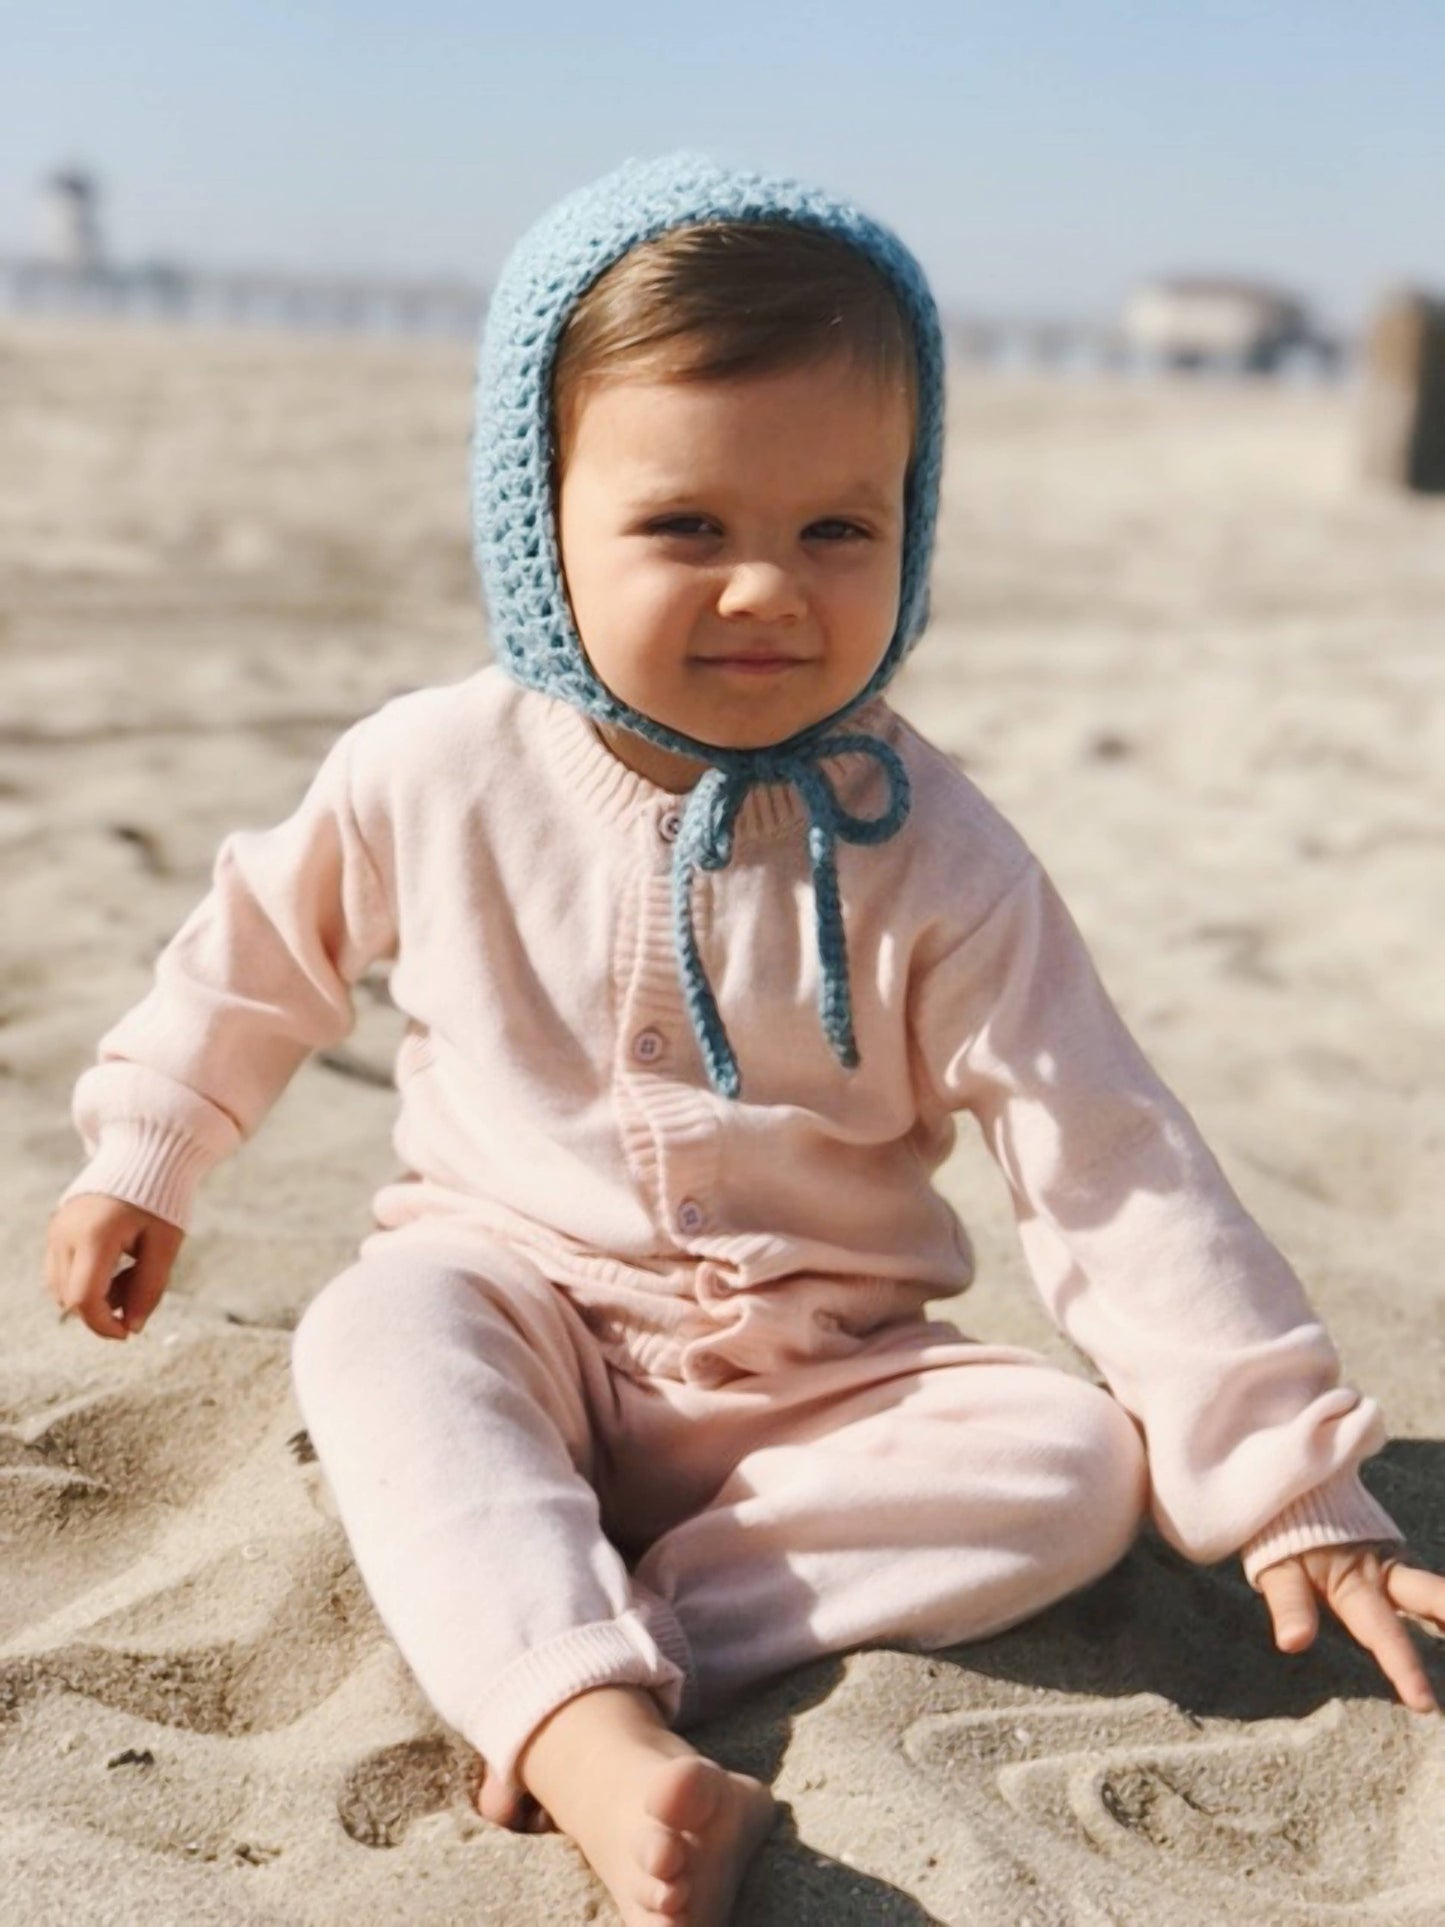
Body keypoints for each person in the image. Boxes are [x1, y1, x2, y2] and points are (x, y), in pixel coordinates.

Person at [44, 151, 1442, 1927]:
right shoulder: (433, 767)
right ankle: (572, 1708)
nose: (767, 590)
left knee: (1073, 1467)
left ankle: (629, 1633)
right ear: (539, 518)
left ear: (909, 525)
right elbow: (254, 956)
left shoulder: (929, 844)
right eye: (687, 530)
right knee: (378, 1331)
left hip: (822, 1383)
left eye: (834, 530)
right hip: (517, 1297)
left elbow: (1108, 1156)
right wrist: (148, 1149)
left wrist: (1285, 1482)